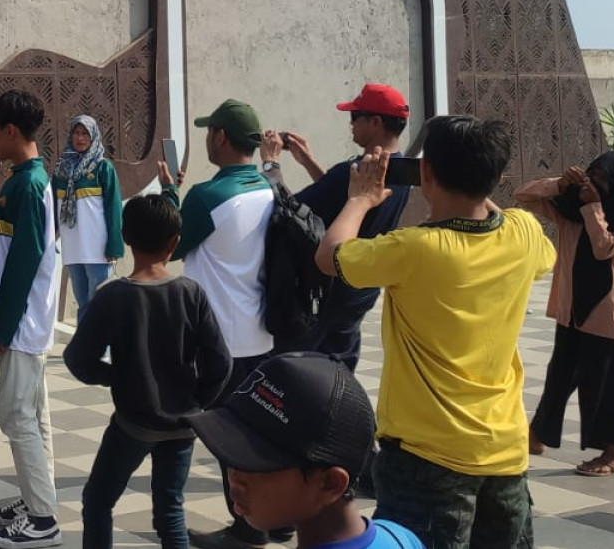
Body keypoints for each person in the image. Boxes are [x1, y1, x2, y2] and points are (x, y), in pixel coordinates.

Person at [315, 119, 556, 549]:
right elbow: (532, 247)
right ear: (498, 176)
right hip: (504, 450)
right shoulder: (523, 231)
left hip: (425, 456)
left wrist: (359, 200)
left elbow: (330, 255)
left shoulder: (413, 248)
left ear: (425, 172)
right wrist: (479, 187)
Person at [65, 186, 230, 549]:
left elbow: (77, 359)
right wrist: (196, 401)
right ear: (175, 243)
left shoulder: (113, 296)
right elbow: (221, 362)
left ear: (126, 237)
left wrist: (116, 377)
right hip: (183, 424)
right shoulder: (191, 292)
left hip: (133, 423)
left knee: (98, 500)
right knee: (170, 511)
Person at [178, 99, 282, 549]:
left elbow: (169, 243)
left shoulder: (207, 196)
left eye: (209, 131)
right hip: (262, 333)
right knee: (262, 433)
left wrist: (169, 194)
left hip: (219, 341)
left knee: (230, 443)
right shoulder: (270, 186)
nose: (207, 138)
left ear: (220, 137)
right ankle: (278, 517)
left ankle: (247, 529)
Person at [189, 354, 424, 549]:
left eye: (254, 464)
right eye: (230, 459)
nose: (234, 480)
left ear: (330, 483)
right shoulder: (399, 536)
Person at [261, 84, 413, 370]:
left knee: (290, 369)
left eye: (355, 116)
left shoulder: (354, 172)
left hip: (325, 290)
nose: (351, 124)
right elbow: (343, 202)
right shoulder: (399, 170)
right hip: (361, 288)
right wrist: (308, 162)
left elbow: (288, 211)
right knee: (338, 369)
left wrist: (271, 164)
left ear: (376, 122)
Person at [518, 151, 614, 478]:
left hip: (606, 312)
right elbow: (523, 195)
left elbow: (603, 248)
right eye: (591, 176)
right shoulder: (569, 210)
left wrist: (593, 207)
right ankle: (537, 435)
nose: (593, 185)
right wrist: (560, 184)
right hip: (572, 309)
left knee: (610, 385)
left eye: (602, 181)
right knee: (560, 374)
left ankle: (613, 454)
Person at [0, 90, 63, 549]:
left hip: (24, 324)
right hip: (28, 322)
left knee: (16, 416)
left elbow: (24, 260)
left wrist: (3, 327)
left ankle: (43, 520)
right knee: (33, 414)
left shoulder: (28, 185)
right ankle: (36, 500)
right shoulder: (26, 180)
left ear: (11, 130)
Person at [53, 115, 124, 321]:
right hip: (73, 247)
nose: (80, 138)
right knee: (83, 301)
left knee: (100, 301)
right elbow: (53, 209)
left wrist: (114, 245)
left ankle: (103, 341)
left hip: (97, 249)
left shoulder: (103, 168)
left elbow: (114, 209)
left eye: (85, 133)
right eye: (76, 133)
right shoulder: (61, 171)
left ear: (93, 136)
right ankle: (85, 340)